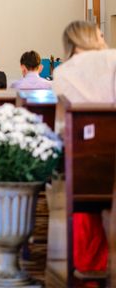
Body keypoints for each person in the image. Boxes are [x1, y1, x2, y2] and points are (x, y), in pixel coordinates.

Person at [51, 20, 115, 275]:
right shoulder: (113, 58)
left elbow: (60, 127)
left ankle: (89, 260)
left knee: (73, 165)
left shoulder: (62, 72)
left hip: (84, 163)